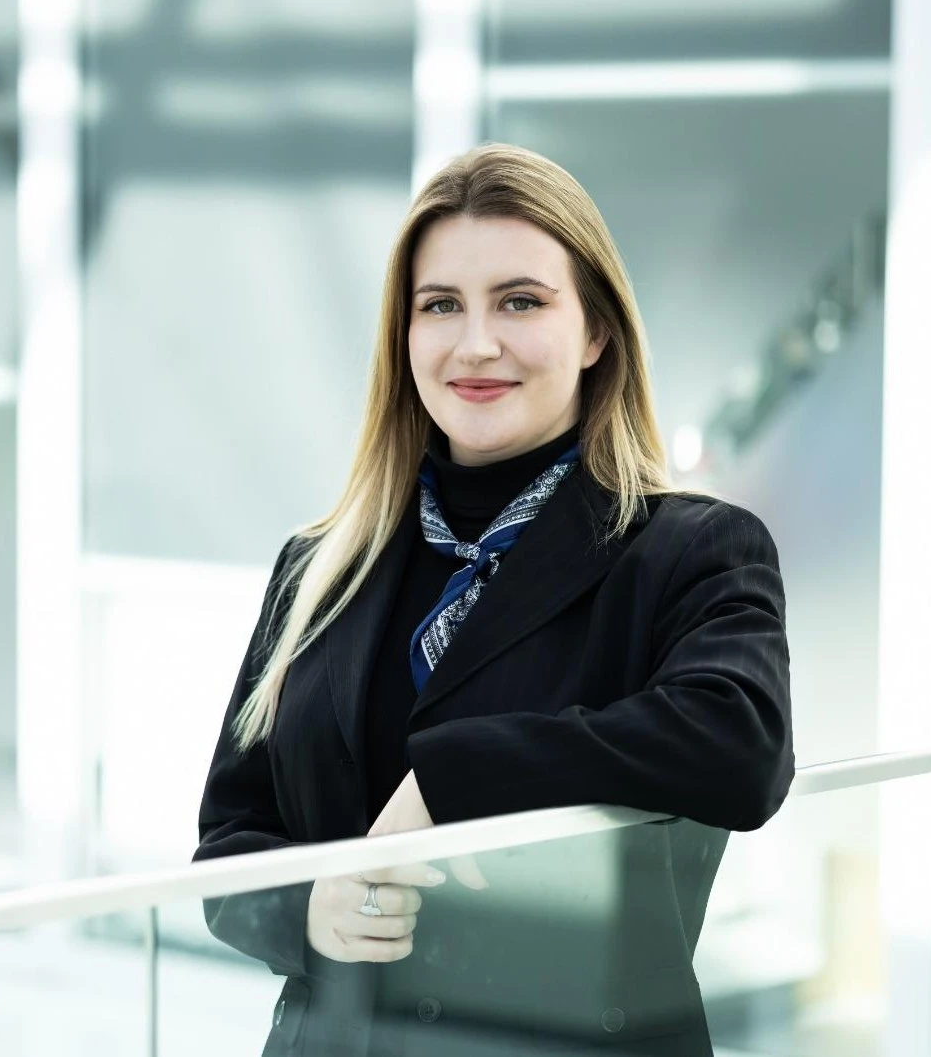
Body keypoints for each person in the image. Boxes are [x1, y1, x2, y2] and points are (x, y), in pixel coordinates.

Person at [193, 142, 793, 1057]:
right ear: (406, 337)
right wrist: (306, 911)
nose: (476, 344)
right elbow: (229, 846)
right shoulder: (319, 565)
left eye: (520, 301)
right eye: (440, 306)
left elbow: (738, 744)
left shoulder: (691, 549)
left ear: (595, 332)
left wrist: (456, 776)